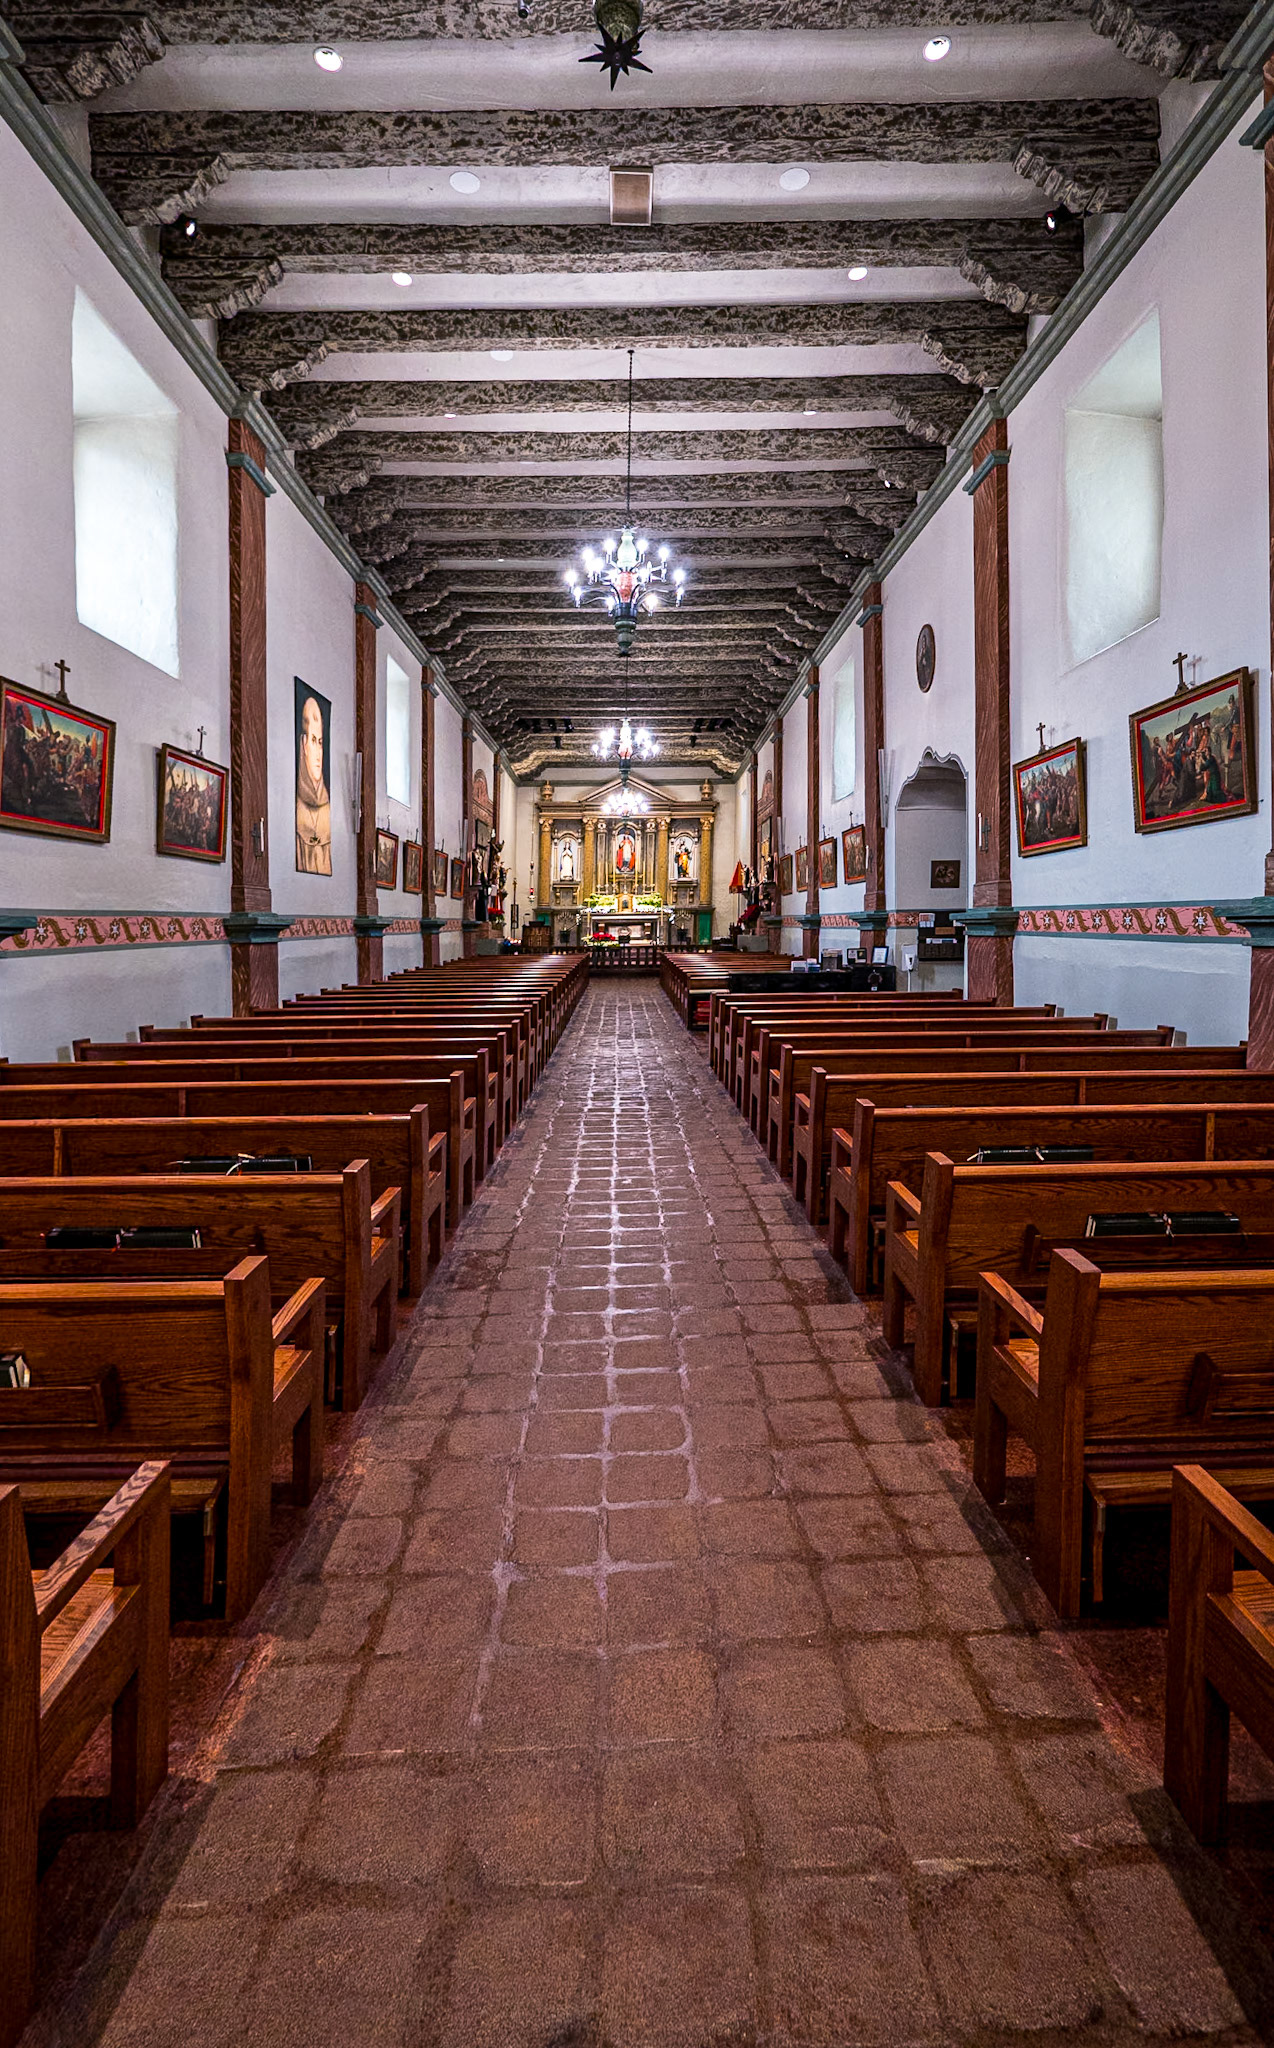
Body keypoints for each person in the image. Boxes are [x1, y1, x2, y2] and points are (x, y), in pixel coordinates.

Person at [296, 695, 331, 874]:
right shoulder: (296, 805)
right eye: (312, 740)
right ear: (303, 744)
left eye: (320, 742)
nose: (318, 752)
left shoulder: (328, 807)